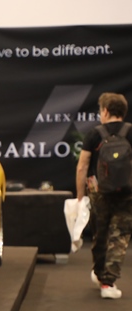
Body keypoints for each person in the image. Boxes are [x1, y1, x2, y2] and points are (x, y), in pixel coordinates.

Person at [76, 92, 132, 299]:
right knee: (120, 236)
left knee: (100, 234)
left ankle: (100, 275)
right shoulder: (130, 132)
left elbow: (82, 166)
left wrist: (80, 196)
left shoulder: (95, 134)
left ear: (106, 111)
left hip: (98, 191)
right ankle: (108, 283)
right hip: (127, 192)